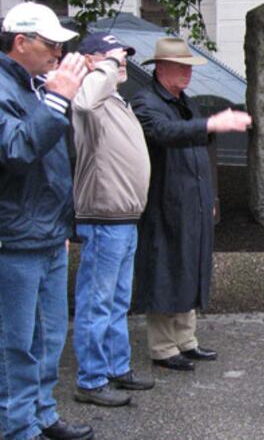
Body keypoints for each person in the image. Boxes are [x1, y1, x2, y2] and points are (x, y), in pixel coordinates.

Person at [0, 2, 93, 440]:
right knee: (15, 344)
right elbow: (16, 151)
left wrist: (63, 228)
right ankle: (18, 428)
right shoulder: (8, 87)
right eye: (52, 43)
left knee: (50, 337)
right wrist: (56, 97)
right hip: (14, 239)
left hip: (46, 234)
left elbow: (55, 165)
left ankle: (41, 414)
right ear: (22, 41)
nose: (59, 52)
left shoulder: (36, 85)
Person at [132, 37, 251, 371]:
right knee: (167, 269)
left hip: (191, 200)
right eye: (181, 67)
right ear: (161, 68)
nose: (187, 74)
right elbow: (164, 133)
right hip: (165, 202)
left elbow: (196, 149)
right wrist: (211, 124)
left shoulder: (182, 101)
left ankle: (186, 340)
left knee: (189, 267)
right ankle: (164, 347)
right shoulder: (146, 102)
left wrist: (209, 197)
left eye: (189, 67)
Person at [71, 32, 154, 407]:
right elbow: (85, 103)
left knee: (117, 301)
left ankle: (116, 367)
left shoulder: (114, 98)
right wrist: (105, 64)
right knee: (96, 303)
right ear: (90, 60)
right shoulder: (90, 94)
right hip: (104, 217)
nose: (120, 62)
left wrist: (109, 63)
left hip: (123, 218)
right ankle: (90, 381)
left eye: (121, 57)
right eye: (109, 56)